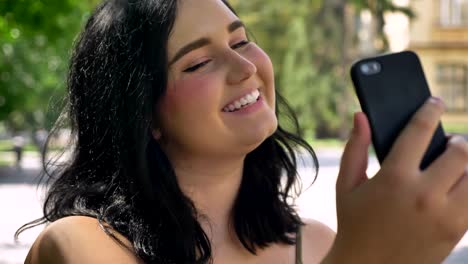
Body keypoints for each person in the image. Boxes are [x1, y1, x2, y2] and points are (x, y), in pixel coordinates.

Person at [18, 0, 468, 263]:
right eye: (197, 62)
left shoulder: (317, 243)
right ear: (142, 113)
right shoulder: (80, 246)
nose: (246, 66)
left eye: (240, 41)